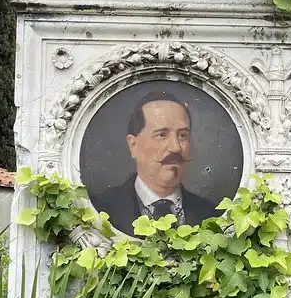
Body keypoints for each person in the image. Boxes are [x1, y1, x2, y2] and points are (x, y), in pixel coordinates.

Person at [93, 93, 218, 235]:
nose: (176, 147)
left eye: (183, 135)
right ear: (133, 145)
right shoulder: (98, 210)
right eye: (162, 135)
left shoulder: (213, 215)